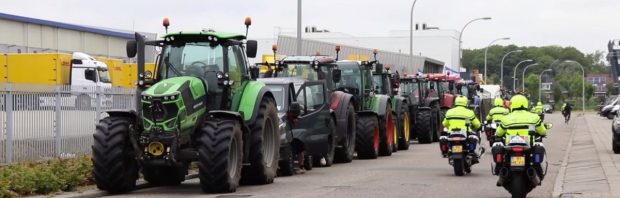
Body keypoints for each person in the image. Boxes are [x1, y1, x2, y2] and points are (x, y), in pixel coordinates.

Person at [492, 95, 548, 185]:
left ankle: (499, 171)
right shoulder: (534, 117)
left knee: (497, 147)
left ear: (512, 104)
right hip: (528, 145)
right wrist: (542, 133)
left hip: (510, 145)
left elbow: (498, 133)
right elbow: (543, 131)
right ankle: (539, 172)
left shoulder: (506, 118)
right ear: (526, 104)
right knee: (539, 147)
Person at [440, 96, 482, 161]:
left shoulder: (449, 112)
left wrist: (450, 128)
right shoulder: (469, 112)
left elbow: (444, 124)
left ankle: (445, 152)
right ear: (466, 102)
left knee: (443, 138)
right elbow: (477, 124)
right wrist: (479, 127)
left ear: (456, 102)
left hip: (452, 133)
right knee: (474, 138)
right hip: (465, 133)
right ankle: (471, 152)